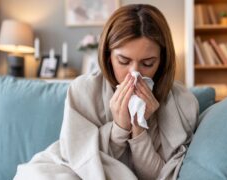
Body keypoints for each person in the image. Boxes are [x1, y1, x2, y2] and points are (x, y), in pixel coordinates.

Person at [14, 4, 198, 180]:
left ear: (162, 60)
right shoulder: (83, 89)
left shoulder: (181, 102)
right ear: (108, 55)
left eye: (148, 63)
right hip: (69, 168)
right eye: (124, 61)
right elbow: (79, 160)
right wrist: (119, 128)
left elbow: (159, 176)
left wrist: (139, 129)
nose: (134, 73)